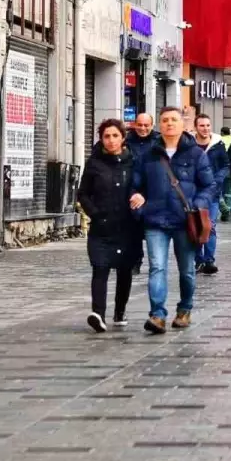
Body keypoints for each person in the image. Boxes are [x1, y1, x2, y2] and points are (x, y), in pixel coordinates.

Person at [129, 107, 217, 334]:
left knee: (187, 269)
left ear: (182, 124)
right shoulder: (149, 154)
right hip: (155, 219)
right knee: (157, 267)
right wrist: (137, 195)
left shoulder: (196, 154)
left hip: (184, 220)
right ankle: (157, 315)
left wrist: (198, 204)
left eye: (174, 120)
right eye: (165, 120)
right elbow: (136, 183)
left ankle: (184, 309)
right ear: (159, 125)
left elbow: (209, 185)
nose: (169, 124)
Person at [77, 119, 140, 333]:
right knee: (100, 267)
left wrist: (139, 199)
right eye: (106, 136)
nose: (111, 140)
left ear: (123, 138)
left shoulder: (133, 162)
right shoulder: (94, 163)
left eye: (115, 135)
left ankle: (120, 311)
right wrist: (94, 213)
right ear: (101, 139)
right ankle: (98, 314)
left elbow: (142, 187)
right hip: (101, 226)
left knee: (124, 270)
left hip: (127, 226)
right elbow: (83, 193)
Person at [193, 114, 228, 275]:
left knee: (210, 226)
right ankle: (198, 260)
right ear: (196, 127)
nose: (205, 128)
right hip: (193, 193)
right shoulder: (189, 145)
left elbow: (225, 166)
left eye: (208, 125)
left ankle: (209, 260)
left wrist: (217, 180)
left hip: (212, 193)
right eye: (202, 126)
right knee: (195, 228)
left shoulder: (218, 145)